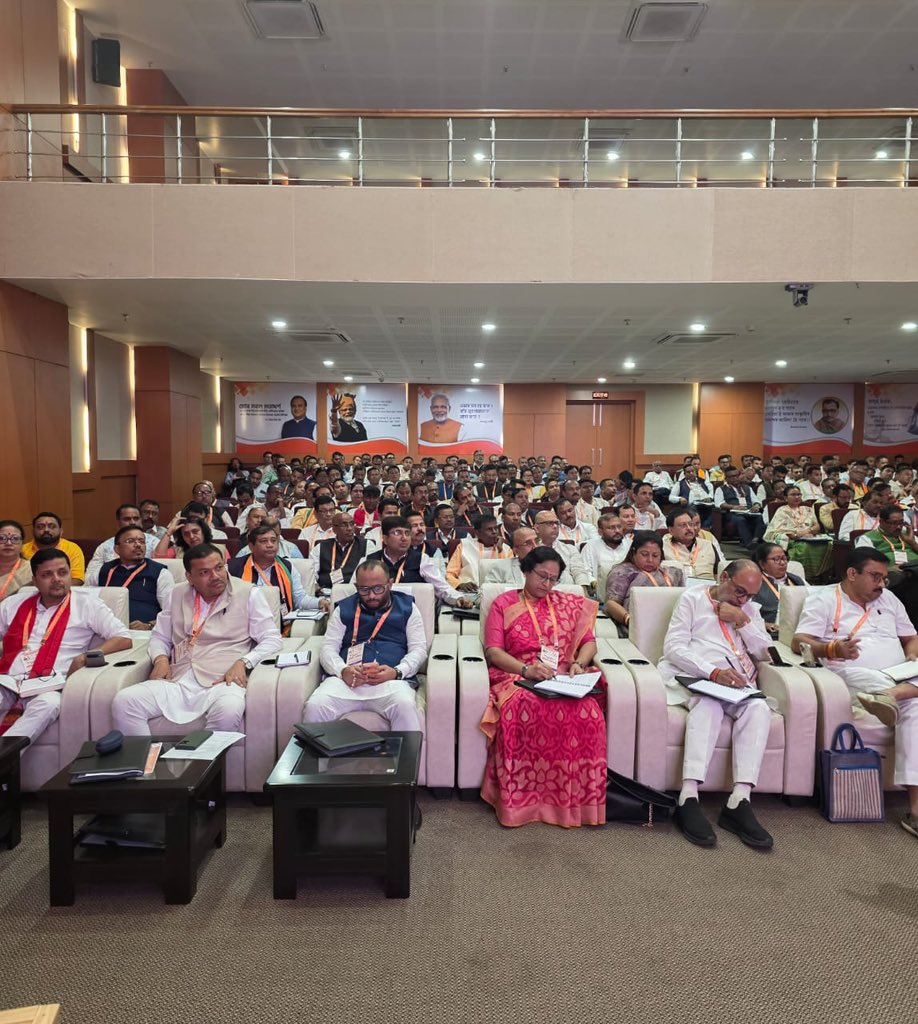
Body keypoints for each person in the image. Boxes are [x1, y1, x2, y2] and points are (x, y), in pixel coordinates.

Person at [794, 548, 918, 837]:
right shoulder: (823, 598)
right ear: (852, 574)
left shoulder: (888, 599)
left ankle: (895, 694)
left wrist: (912, 656)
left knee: (915, 713)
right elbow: (799, 640)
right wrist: (832, 648)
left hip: (899, 673)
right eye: (876, 577)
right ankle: (898, 694)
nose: (882, 584)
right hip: (852, 673)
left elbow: (911, 637)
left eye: (885, 578)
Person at [480, 546, 604, 827]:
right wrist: (527, 669)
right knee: (521, 709)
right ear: (525, 571)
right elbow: (494, 652)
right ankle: (523, 802)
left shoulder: (569, 603)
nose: (547, 585)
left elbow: (588, 642)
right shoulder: (504, 603)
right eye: (542, 576)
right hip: (518, 674)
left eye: (553, 579)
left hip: (564, 676)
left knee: (589, 712)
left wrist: (580, 664)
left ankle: (571, 801)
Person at [658, 560, 775, 849]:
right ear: (723, 577)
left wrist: (743, 620)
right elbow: (674, 647)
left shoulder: (748, 610)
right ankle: (688, 796)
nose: (743, 599)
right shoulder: (692, 599)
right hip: (699, 676)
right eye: (739, 591)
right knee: (708, 704)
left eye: (750, 595)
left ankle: (739, 800)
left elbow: (766, 652)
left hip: (737, 683)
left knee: (759, 708)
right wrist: (713, 672)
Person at [112, 543, 282, 736]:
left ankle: (202, 764)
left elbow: (272, 639)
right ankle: (145, 763)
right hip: (177, 678)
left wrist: (244, 662)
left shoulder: (248, 593)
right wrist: (160, 660)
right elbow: (160, 636)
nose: (216, 576)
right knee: (125, 701)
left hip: (222, 679)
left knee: (229, 708)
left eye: (219, 568)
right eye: (204, 572)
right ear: (189, 577)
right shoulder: (176, 594)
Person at [0, 548, 131, 742]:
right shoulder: (13, 603)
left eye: (62, 573)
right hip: (8, 681)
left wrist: (84, 657)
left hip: (51, 685)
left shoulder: (88, 604)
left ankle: (4, 757)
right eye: (47, 575)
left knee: (49, 704)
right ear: (34, 580)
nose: (56, 579)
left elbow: (123, 637)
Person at [302, 560, 426, 730]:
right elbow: (328, 648)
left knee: (404, 705)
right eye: (364, 590)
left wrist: (397, 672)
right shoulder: (343, 608)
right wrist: (342, 670)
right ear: (356, 586)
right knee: (315, 706)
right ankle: (315, 758)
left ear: (389, 584)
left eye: (378, 589)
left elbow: (419, 649)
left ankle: (405, 757)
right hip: (347, 681)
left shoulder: (408, 608)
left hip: (391, 681)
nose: (372, 596)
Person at [365, 516, 471, 607]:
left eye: (407, 533)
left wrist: (458, 598)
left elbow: (442, 587)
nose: (404, 538)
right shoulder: (369, 560)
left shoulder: (422, 559)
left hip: (410, 612)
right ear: (385, 538)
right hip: (375, 612)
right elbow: (353, 590)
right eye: (397, 533)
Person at [228, 524, 328, 617]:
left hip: (280, 623)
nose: (270, 545)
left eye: (273, 541)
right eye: (263, 541)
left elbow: (300, 599)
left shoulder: (288, 567)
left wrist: (319, 602)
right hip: (244, 620)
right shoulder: (233, 568)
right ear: (251, 546)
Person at [605, 530, 686, 630]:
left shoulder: (674, 573)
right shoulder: (622, 572)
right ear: (633, 552)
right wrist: (631, 621)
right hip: (636, 627)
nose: (650, 560)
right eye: (644, 554)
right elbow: (611, 604)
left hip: (671, 625)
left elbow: (684, 602)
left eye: (655, 555)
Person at [98, 525, 174, 629]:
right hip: (106, 630)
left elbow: (172, 613)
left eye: (142, 541)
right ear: (117, 549)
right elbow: (85, 600)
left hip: (143, 633)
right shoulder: (104, 571)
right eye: (130, 541)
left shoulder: (160, 573)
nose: (138, 545)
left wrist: (149, 625)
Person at [856, 504, 918, 622]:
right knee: (908, 580)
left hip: (914, 568)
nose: (899, 526)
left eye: (901, 522)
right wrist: (888, 569)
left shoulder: (906, 534)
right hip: (892, 574)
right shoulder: (868, 538)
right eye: (894, 523)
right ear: (882, 522)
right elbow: (863, 563)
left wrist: (911, 541)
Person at [763, 485, 833, 580]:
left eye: (798, 494)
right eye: (793, 495)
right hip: (793, 540)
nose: (797, 497)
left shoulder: (808, 509)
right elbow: (775, 529)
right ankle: (803, 575)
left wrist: (806, 532)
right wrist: (797, 535)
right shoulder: (782, 510)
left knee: (829, 544)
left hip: (810, 537)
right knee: (803, 547)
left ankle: (821, 575)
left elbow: (817, 526)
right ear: (785, 497)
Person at [85, 504, 159, 585]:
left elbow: (159, 568)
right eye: (127, 519)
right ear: (118, 522)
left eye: (136, 518)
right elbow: (89, 578)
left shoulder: (153, 542)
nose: (132, 522)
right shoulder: (104, 547)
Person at [483, 527, 576, 586]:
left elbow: (569, 592)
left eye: (537, 541)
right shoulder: (501, 568)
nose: (535, 546)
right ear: (516, 550)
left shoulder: (554, 567)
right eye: (528, 543)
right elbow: (482, 598)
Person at [445, 514, 512, 592]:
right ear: (478, 533)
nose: (494, 532)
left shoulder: (506, 549)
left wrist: (500, 550)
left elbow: (509, 576)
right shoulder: (464, 546)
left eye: (495, 528)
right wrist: (459, 584)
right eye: (489, 529)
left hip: (497, 592)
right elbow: (449, 574)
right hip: (468, 592)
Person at [753, 542, 806, 635]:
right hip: (768, 633)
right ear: (762, 564)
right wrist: (763, 624)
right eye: (776, 559)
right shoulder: (754, 582)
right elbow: (742, 613)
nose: (782, 563)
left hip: (797, 631)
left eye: (784, 558)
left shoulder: (797, 580)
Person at [21, 513, 85, 585]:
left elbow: (77, 579)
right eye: (40, 527)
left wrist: (53, 590)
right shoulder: (22, 550)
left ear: (61, 531)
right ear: (33, 531)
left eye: (52, 526)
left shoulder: (72, 548)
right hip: (29, 591)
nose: (46, 530)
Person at [311, 512, 367, 592]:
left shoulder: (366, 545)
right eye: (344, 525)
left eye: (352, 524)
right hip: (325, 593)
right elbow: (311, 573)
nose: (349, 528)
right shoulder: (321, 547)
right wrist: (315, 586)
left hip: (353, 593)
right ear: (334, 529)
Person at [532, 510, 590, 587]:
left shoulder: (570, 549)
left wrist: (582, 590)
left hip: (568, 593)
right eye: (549, 523)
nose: (555, 526)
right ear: (537, 528)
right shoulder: (529, 550)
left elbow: (579, 572)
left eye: (556, 523)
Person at [714, 467, 765, 550]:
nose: (734, 478)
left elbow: (756, 500)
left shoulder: (747, 488)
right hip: (733, 513)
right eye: (731, 476)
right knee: (740, 520)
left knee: (759, 517)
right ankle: (749, 543)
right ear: (726, 478)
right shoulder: (721, 489)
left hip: (749, 512)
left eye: (736, 476)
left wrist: (756, 506)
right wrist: (734, 507)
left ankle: (755, 540)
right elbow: (719, 503)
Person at [663, 508, 719, 580]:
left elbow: (718, 573)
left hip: (705, 588)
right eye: (683, 525)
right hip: (677, 590)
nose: (689, 528)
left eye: (690, 524)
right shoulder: (663, 548)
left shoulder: (708, 545)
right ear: (671, 530)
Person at [581, 512, 632, 586]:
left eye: (619, 527)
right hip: (601, 588)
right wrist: (594, 584)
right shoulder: (591, 546)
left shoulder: (630, 544)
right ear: (600, 532)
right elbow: (585, 571)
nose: (617, 531)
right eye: (611, 528)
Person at [0, 520, 33, 603]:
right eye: (2, 538)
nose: (8, 543)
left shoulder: (32, 570)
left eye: (15, 539)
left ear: (22, 543)